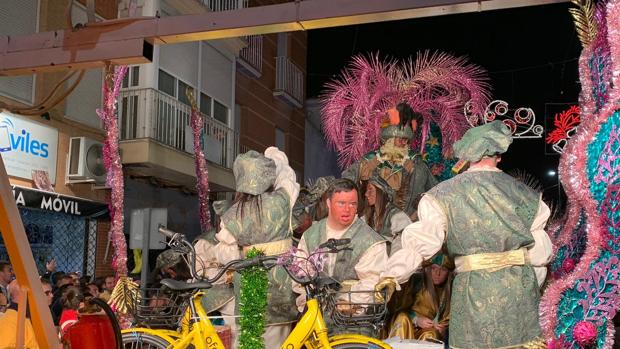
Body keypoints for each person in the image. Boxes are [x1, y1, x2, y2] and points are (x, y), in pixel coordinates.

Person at [375, 121, 553, 349]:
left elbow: (419, 244)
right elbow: (540, 256)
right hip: (519, 297)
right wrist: (527, 286)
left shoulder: (441, 195)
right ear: (498, 155)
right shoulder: (527, 195)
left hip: (472, 296)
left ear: (468, 153)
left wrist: (391, 276)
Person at [202, 147, 299, 347]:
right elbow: (288, 175)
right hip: (281, 284)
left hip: (248, 283)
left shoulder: (233, 213)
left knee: (248, 337)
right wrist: (273, 156)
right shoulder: (282, 200)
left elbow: (225, 255)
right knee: (280, 339)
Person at [296, 178, 387, 327]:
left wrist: (345, 301)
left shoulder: (370, 241)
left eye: (353, 204)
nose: (347, 209)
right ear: (328, 204)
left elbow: (373, 282)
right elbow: (299, 273)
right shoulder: (311, 235)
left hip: (354, 323)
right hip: (315, 321)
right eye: (341, 203)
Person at [342, 103, 437, 218]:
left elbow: (435, 191)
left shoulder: (416, 164)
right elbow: (345, 183)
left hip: (406, 226)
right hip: (370, 224)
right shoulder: (368, 160)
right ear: (389, 139)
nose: (404, 144)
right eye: (401, 139)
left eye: (407, 140)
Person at [389, 252, 453, 342]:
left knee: (431, 334)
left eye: (443, 269)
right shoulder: (416, 282)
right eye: (434, 268)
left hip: (425, 331)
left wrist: (443, 330)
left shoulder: (450, 291)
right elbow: (396, 310)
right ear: (428, 269)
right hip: (406, 326)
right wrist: (416, 320)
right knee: (402, 318)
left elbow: (448, 320)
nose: (438, 273)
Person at [362, 173, 411, 255]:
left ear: (380, 192)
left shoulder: (396, 216)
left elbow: (405, 243)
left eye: (370, 190)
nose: (366, 194)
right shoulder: (368, 216)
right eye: (366, 190)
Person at [0, 279, 44, 348]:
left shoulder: (32, 316)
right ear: (25, 294)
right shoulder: (10, 321)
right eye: (45, 293)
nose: (52, 295)